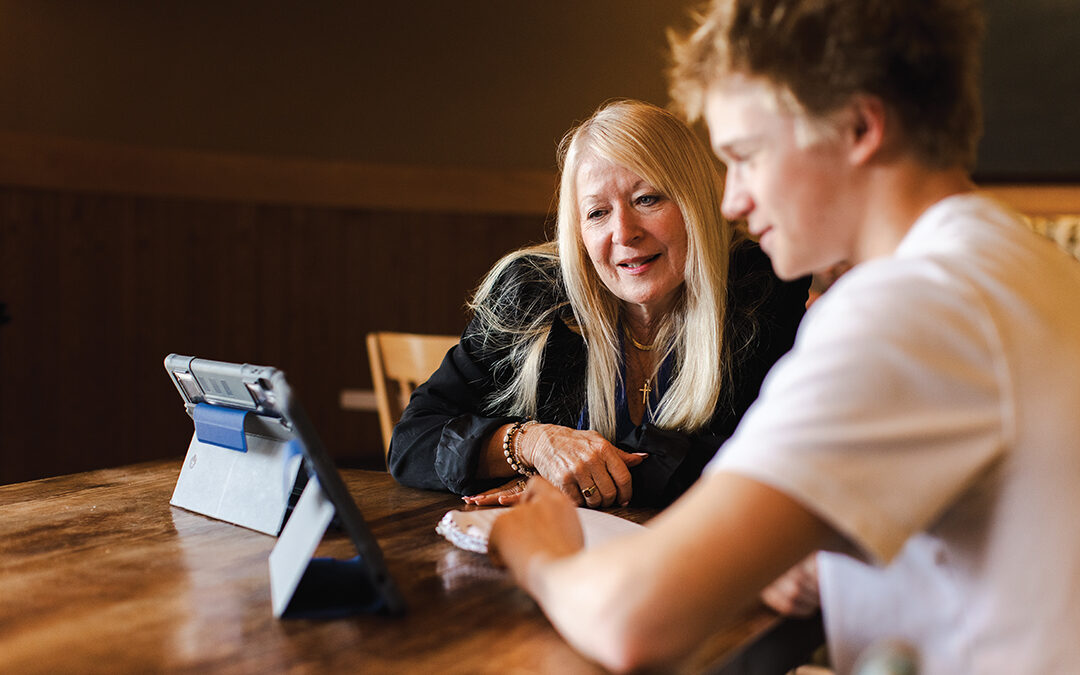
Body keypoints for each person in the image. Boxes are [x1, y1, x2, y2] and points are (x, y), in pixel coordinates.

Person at [488, 0, 1080, 672]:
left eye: (746, 156)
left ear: (859, 128)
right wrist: (829, 564)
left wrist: (537, 550)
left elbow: (633, 620)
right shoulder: (1030, 268)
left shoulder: (907, 307)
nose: (733, 200)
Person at [389, 99, 808, 509]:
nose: (624, 233)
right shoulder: (532, 294)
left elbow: (769, 457)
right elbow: (411, 442)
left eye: (647, 199)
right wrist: (530, 444)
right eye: (597, 213)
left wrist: (577, 479)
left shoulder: (761, 287)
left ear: (694, 202)